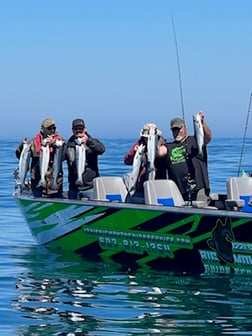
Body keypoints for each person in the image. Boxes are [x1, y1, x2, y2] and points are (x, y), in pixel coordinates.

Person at [157, 111, 212, 203]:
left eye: (179, 129)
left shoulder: (195, 140)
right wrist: (150, 137)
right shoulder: (169, 146)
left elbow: (208, 136)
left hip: (198, 187)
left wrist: (201, 123)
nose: (177, 132)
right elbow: (158, 152)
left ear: (185, 128)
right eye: (174, 130)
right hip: (178, 190)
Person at [15, 118, 65, 197]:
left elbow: (65, 155)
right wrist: (22, 147)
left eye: (54, 128)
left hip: (55, 185)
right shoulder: (33, 143)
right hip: (37, 184)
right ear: (42, 129)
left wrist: (54, 144)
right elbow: (19, 156)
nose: (52, 130)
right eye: (49, 128)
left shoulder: (60, 142)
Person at [124, 123, 167, 202]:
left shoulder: (163, 145)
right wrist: (133, 153)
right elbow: (127, 161)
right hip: (141, 186)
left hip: (157, 185)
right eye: (145, 138)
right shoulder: (139, 144)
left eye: (149, 138)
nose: (146, 140)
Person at [64, 118, 105, 199]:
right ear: (72, 130)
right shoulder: (68, 144)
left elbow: (101, 149)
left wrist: (88, 141)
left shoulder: (92, 142)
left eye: (81, 128)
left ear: (85, 129)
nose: (78, 131)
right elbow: (61, 157)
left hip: (90, 187)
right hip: (73, 188)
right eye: (76, 129)